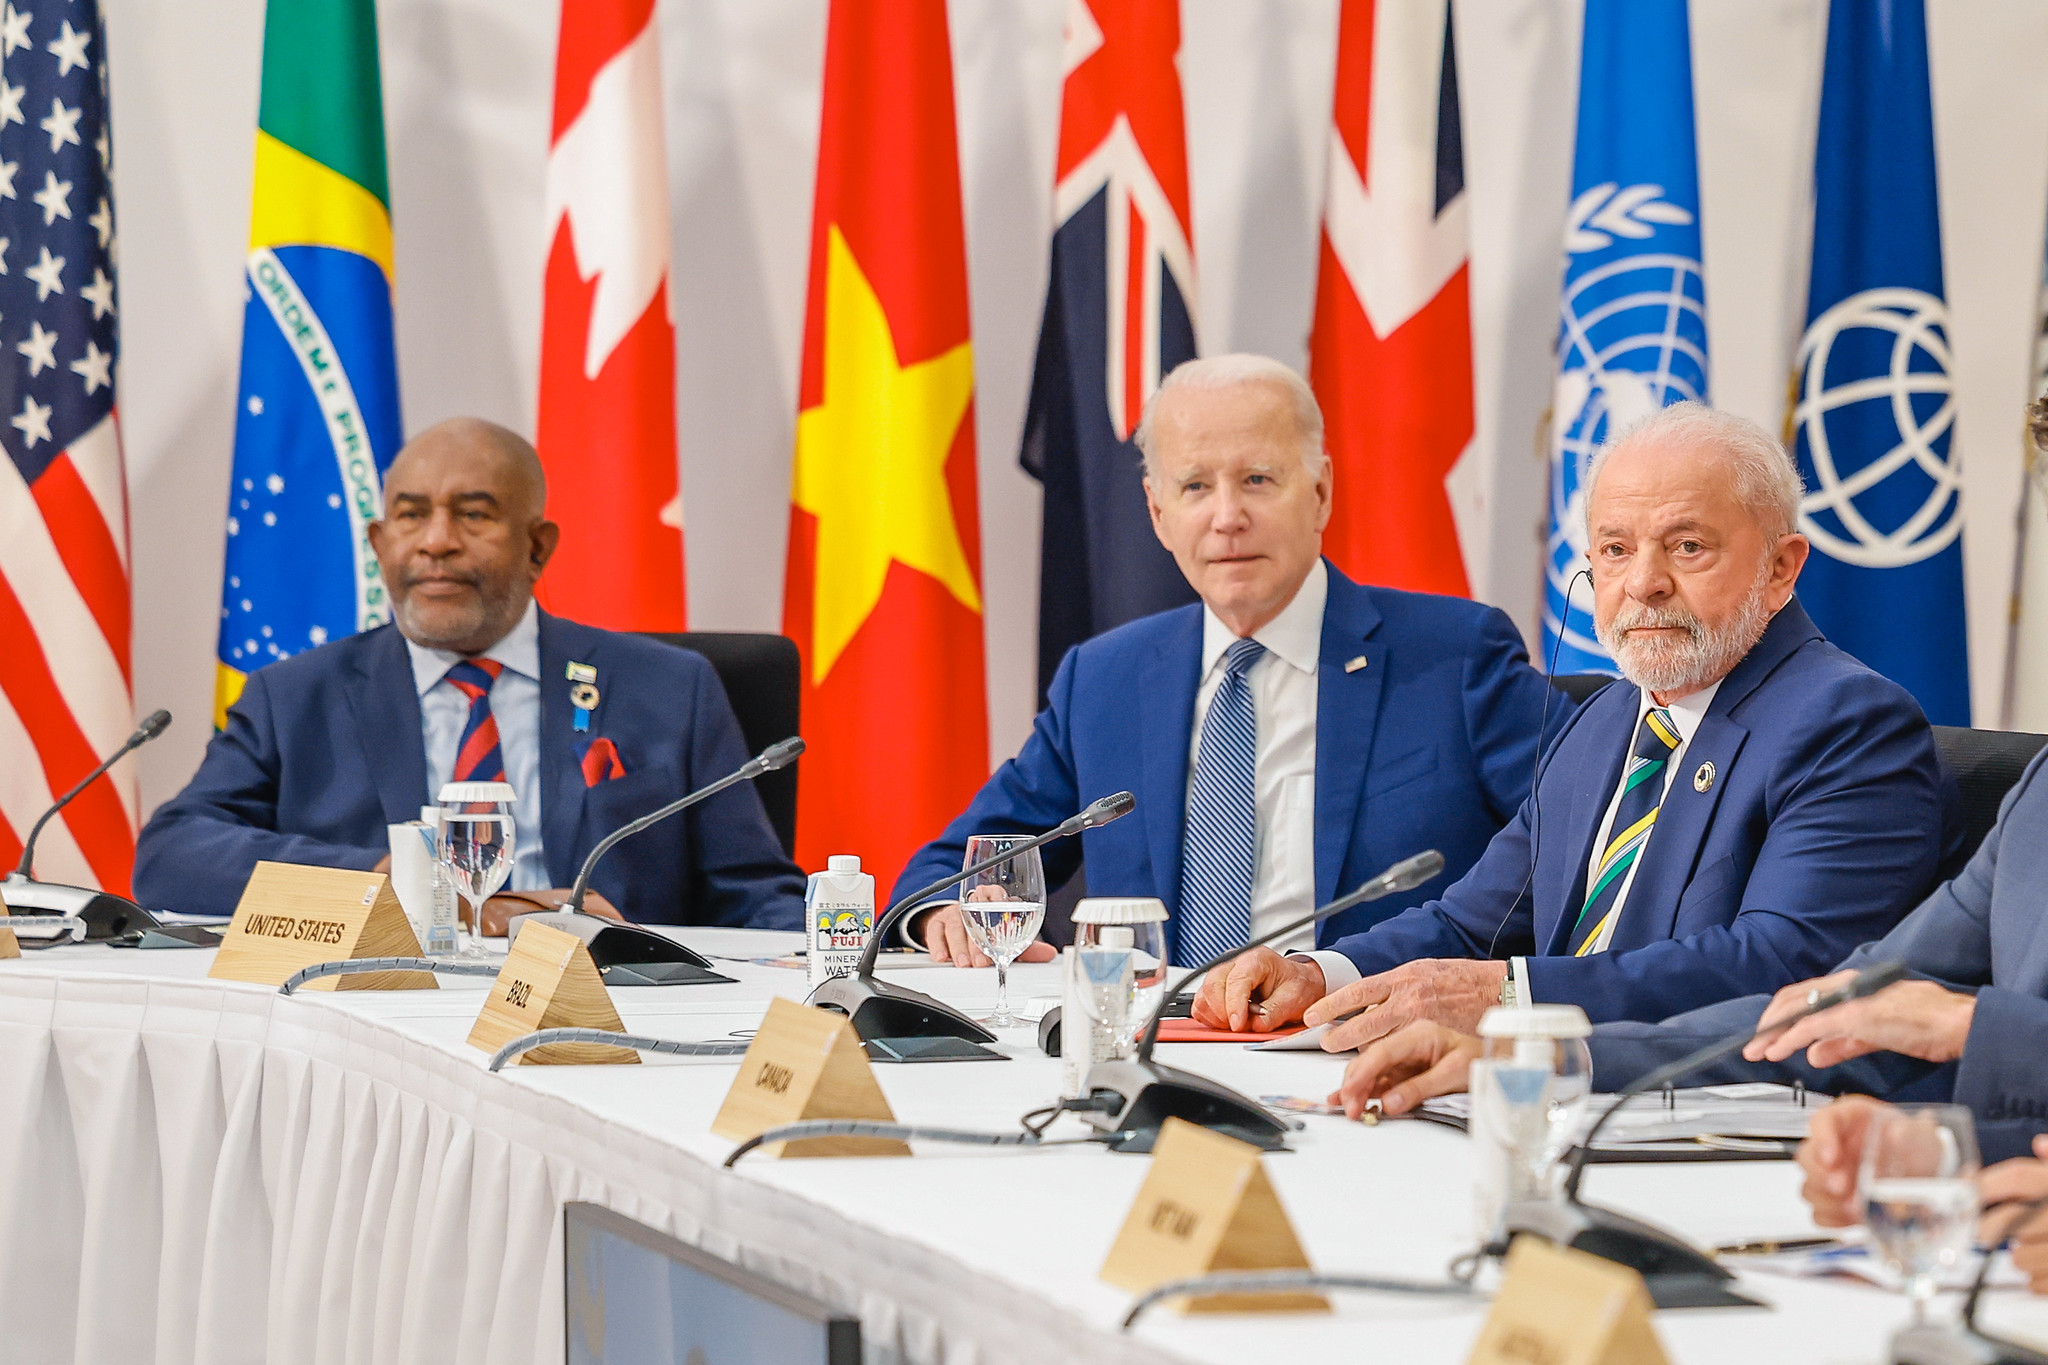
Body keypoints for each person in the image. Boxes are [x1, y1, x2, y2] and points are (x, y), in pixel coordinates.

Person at [1195, 402, 1962, 1046]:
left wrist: (1507, 995)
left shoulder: (1847, 722)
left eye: (1687, 547)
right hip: (1548, 1095)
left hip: (1714, 1121)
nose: (1643, 584)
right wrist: (1319, 971)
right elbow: (1471, 926)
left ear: (1782, 567)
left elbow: (1781, 965)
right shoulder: (1605, 720)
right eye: (1615, 550)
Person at [893, 353, 1568, 968]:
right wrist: (941, 912)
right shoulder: (1104, 680)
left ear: (1320, 493)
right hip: (1152, 1048)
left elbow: (1592, 834)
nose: (1227, 516)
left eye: (1257, 479)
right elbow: (964, 862)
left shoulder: (1455, 656)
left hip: (1360, 1043)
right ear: (1158, 512)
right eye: (1194, 487)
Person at [136, 418, 804, 928]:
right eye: (411, 515)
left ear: (537, 546)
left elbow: (756, 896)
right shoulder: (296, 696)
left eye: (474, 514)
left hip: (609, 1014)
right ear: (379, 544)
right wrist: (392, 877)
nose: (436, 541)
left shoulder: (668, 689)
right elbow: (172, 854)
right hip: (377, 1017)